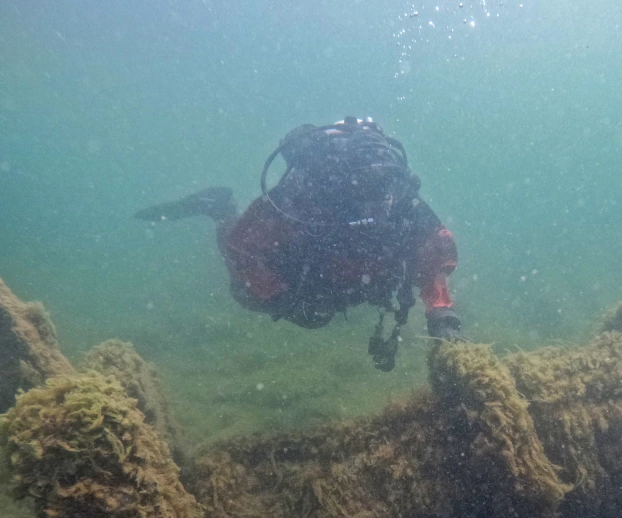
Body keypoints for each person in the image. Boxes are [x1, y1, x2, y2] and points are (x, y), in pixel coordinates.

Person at [135, 117, 463, 371]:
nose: (374, 212)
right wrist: (282, 296)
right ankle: (219, 208)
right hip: (310, 272)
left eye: (381, 202)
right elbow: (243, 246)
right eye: (364, 203)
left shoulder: (401, 198)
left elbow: (435, 250)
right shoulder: (306, 197)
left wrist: (441, 314)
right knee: (246, 293)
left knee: (320, 314)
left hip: (347, 280)